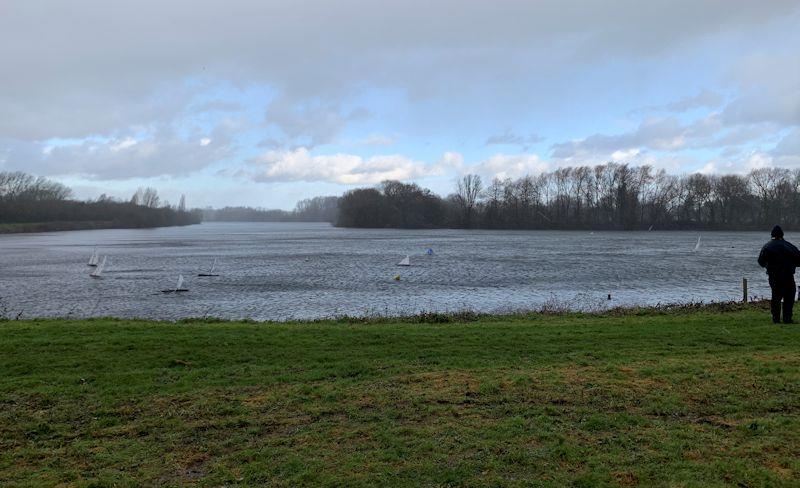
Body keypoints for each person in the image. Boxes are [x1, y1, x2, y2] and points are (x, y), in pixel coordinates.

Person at [757, 225, 800, 324]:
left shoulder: (767, 246)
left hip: (774, 276)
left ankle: (776, 319)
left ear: (772, 235)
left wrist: (768, 266)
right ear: (782, 235)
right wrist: (791, 265)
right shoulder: (790, 246)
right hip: (788, 275)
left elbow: (761, 262)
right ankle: (787, 318)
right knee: (789, 297)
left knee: (776, 296)